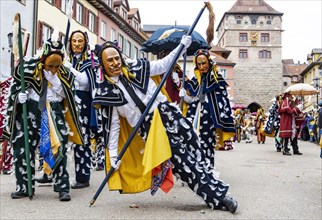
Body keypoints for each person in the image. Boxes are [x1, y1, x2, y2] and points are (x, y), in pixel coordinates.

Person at [92, 37, 238, 213]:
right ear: (103, 64)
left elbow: (163, 65)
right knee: (183, 162)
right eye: (110, 60)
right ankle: (218, 197)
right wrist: (114, 156)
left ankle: (214, 187)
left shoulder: (139, 68)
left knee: (195, 148)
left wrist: (181, 47)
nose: (115, 63)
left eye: (117, 58)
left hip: (168, 112)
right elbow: (114, 127)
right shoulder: (108, 94)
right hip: (151, 129)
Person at [3, 36, 83, 201]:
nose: (53, 69)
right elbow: (15, 90)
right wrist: (19, 97)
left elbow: (67, 95)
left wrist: (55, 81)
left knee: (58, 147)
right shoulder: (28, 69)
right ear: (43, 59)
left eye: (57, 66)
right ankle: (24, 186)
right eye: (50, 66)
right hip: (30, 109)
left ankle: (62, 187)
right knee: (23, 148)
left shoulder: (64, 73)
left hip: (53, 110)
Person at [182, 49, 235, 165]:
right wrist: (184, 96)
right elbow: (192, 100)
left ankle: (208, 170)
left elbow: (222, 100)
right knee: (192, 141)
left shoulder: (217, 79)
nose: (201, 67)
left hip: (208, 117)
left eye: (204, 63)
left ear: (209, 63)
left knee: (207, 143)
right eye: (199, 64)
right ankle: (195, 170)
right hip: (194, 115)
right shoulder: (195, 80)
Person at [63, 30, 101, 188]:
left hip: (83, 103)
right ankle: (56, 175)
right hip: (67, 101)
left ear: (85, 43)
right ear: (70, 44)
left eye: (80, 41)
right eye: (74, 41)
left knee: (82, 140)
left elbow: (85, 82)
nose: (77, 44)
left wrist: (68, 68)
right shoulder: (68, 59)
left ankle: (83, 177)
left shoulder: (90, 62)